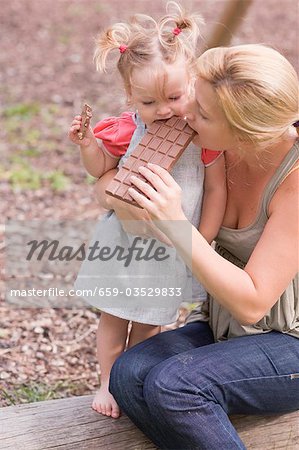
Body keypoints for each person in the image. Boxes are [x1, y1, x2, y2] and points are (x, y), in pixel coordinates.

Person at [103, 44, 299, 449]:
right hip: (226, 329)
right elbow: (112, 182)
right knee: (129, 373)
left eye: (203, 113)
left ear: (246, 131)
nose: (186, 113)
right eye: (195, 95)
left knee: (175, 386)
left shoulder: (293, 182)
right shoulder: (213, 150)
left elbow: (253, 302)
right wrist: (108, 190)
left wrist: (176, 224)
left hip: (288, 341)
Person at [68, 2, 226, 419]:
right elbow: (102, 169)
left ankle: (129, 377)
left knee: (152, 320)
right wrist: (88, 146)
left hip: (173, 245)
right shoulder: (127, 128)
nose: (165, 110)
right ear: (130, 97)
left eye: (174, 97)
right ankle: (106, 379)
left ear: (190, 82)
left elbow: (215, 190)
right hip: (125, 241)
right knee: (116, 314)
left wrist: (202, 240)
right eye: (150, 102)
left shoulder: (204, 136)